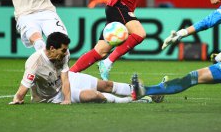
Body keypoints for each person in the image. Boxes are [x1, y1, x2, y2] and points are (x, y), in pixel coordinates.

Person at [9, 32, 155, 105]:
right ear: (52, 48)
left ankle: (145, 90)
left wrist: (68, 99)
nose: (66, 53)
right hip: (53, 95)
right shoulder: (34, 63)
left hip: (64, 82)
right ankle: (131, 100)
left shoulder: (63, 55)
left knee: (106, 84)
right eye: (63, 50)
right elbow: (23, 89)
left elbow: (66, 78)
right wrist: (18, 99)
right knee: (94, 95)